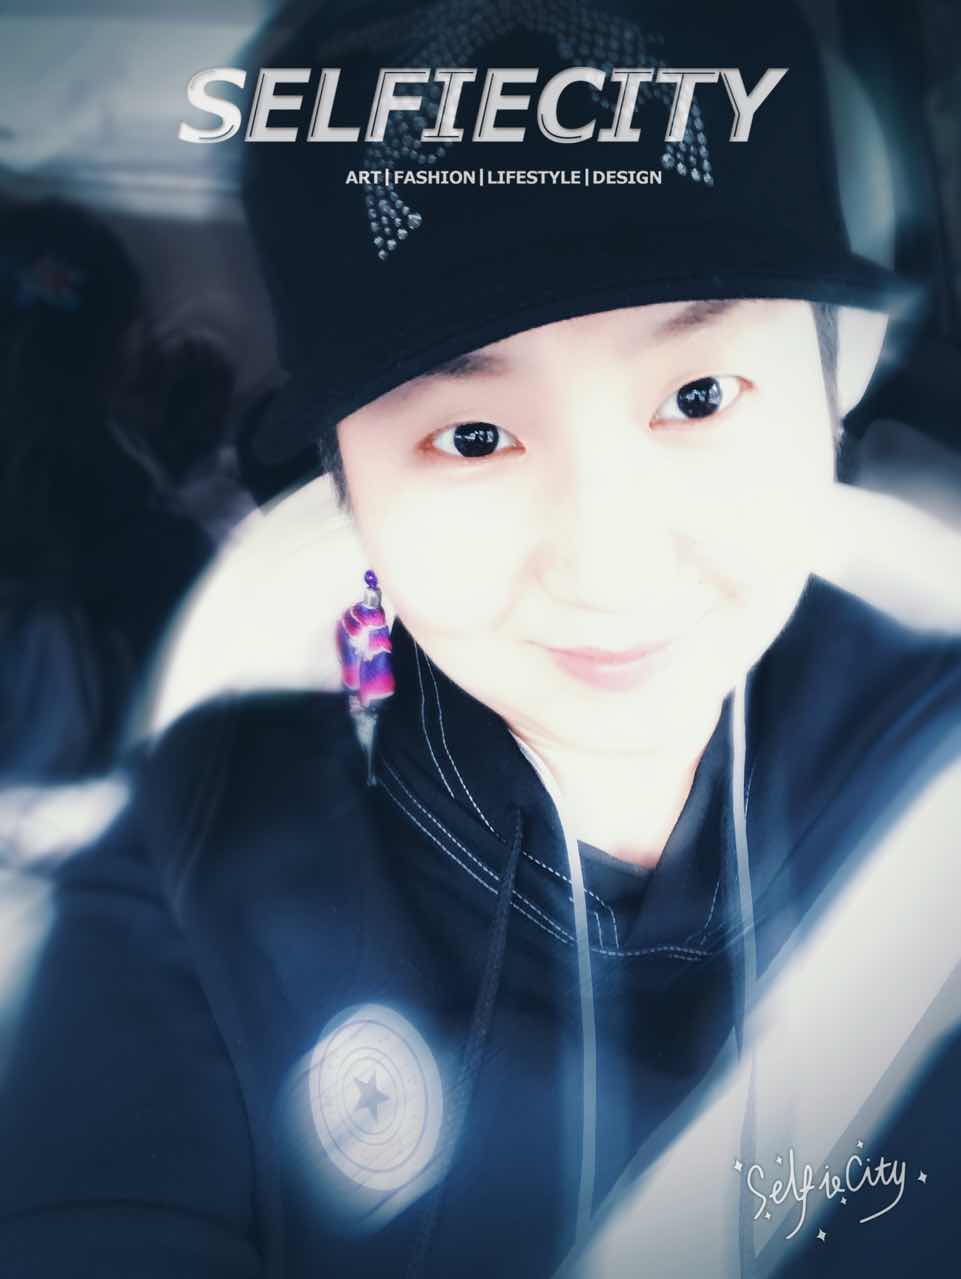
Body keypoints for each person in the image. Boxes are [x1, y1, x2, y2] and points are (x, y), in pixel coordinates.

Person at [1, 3, 959, 1278]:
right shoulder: (208, 861)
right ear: (349, 487)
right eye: (469, 437)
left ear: (831, 385)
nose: (610, 566)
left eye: (697, 395)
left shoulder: (938, 775)